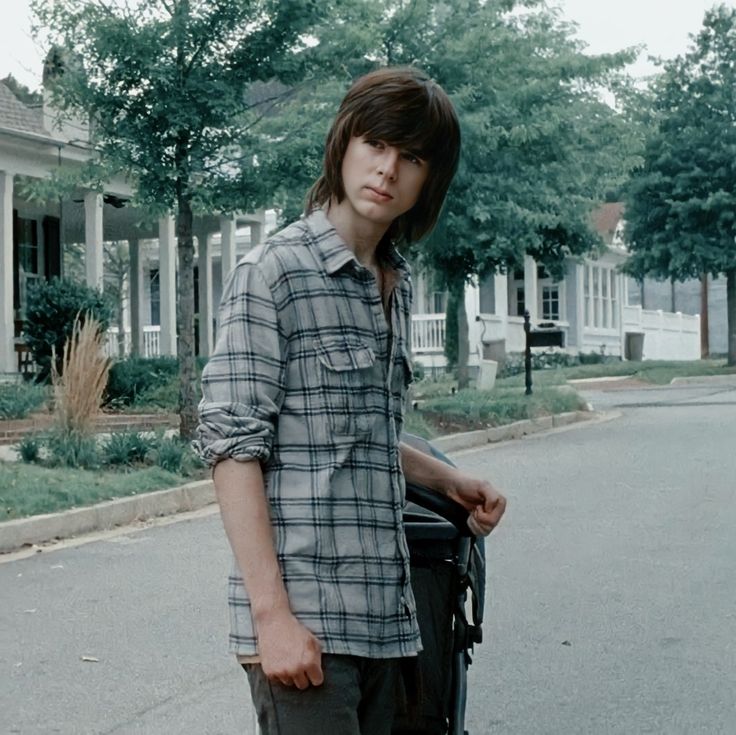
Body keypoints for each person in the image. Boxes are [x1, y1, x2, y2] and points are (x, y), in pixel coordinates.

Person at [195, 66, 506, 735]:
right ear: (344, 144)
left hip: (387, 624)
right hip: (306, 631)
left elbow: (355, 435)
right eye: (376, 144)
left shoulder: (392, 282)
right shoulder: (273, 274)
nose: (388, 169)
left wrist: (450, 480)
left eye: (412, 157)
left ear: (429, 180)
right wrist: (272, 619)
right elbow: (233, 450)